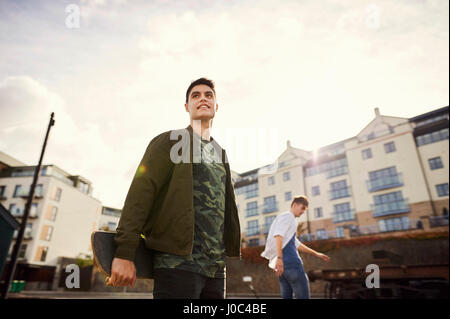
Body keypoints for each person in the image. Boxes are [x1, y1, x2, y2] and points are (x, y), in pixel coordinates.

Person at [108, 77, 241, 299]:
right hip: (177, 264)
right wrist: (124, 252)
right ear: (187, 106)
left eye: (209, 95)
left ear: (216, 106)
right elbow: (141, 194)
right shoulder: (170, 142)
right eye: (195, 95)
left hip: (216, 269)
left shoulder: (220, 153)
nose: (203, 99)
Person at [261, 195, 330, 299]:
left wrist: (316, 254)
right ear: (294, 205)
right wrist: (279, 259)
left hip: (283, 268)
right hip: (291, 263)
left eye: (305, 210)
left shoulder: (288, 220)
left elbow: (296, 244)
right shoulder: (288, 216)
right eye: (302, 208)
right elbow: (278, 235)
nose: (303, 212)